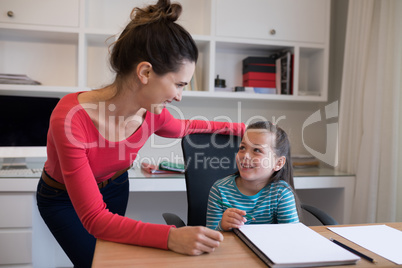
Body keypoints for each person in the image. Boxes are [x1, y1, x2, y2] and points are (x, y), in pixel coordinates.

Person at [36, 0, 245, 267]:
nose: (179, 97)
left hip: (115, 188)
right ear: (145, 72)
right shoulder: (70, 119)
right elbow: (96, 220)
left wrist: (244, 130)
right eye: (179, 84)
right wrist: (171, 237)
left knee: (115, 259)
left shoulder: (152, 113)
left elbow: (188, 127)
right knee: (94, 263)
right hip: (61, 199)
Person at [206, 121, 300, 231]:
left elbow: (293, 237)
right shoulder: (220, 189)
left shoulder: (281, 193)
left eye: (257, 150)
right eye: (242, 148)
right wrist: (222, 226)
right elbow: (210, 238)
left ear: (278, 163)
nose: (245, 155)